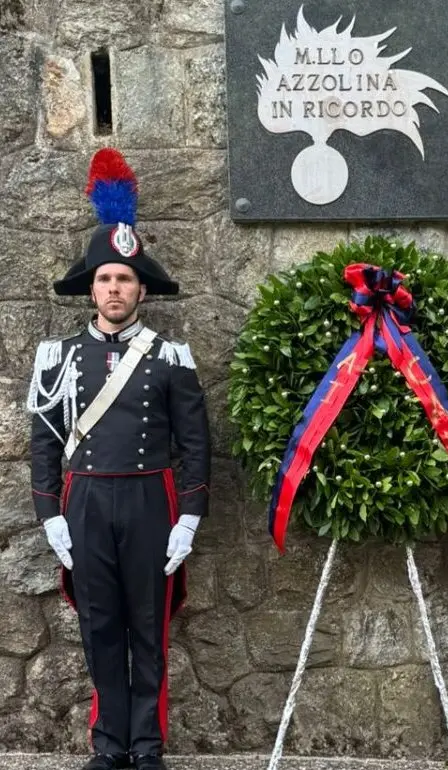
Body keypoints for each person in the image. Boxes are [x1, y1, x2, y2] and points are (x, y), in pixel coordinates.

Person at [27, 149, 211, 770]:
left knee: (148, 630)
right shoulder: (57, 356)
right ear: (91, 287)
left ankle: (148, 745)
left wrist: (188, 517)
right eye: (105, 278)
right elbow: (45, 442)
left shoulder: (171, 356)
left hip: (149, 501)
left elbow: (194, 444)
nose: (114, 288)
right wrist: (49, 512)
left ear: (141, 289)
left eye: (124, 279)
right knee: (99, 628)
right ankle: (109, 745)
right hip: (84, 502)